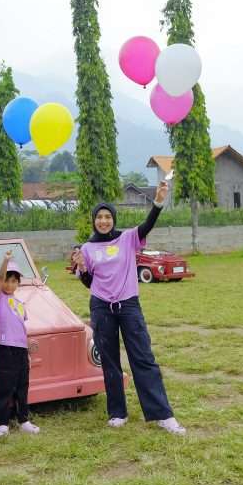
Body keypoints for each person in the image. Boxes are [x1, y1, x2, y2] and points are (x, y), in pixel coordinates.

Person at [71, 180, 186, 435]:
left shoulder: (127, 238)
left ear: (113, 218)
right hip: (101, 307)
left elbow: (147, 225)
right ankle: (117, 413)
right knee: (109, 360)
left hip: (129, 305)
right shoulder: (87, 248)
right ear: (94, 221)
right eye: (99, 217)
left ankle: (162, 415)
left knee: (143, 357)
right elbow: (89, 282)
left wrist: (158, 201)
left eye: (107, 216)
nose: (103, 221)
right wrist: (81, 267)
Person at [0, 250, 40, 438]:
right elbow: (0, 277)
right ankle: (2, 424)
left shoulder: (20, 304)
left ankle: (24, 420)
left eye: (14, 281)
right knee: (5, 386)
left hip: (21, 351)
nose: (9, 284)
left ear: (18, 283)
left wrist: (27, 344)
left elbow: (20, 327)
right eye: (6, 280)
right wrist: (5, 260)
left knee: (22, 385)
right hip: (5, 349)